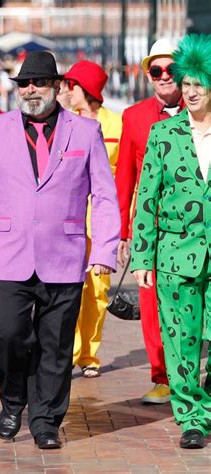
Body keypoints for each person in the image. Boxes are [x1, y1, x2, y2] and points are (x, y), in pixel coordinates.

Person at [0, 51, 120, 449]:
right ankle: (14, 398)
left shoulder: (85, 132)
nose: (30, 90)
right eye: (23, 83)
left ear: (58, 87)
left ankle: (46, 420)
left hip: (64, 254)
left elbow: (103, 194)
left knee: (56, 345)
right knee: (9, 336)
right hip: (7, 252)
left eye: (39, 83)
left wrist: (103, 249)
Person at [131, 34, 211, 449]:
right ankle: (191, 416)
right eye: (187, 82)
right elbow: (146, 197)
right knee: (181, 341)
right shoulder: (164, 134)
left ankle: (207, 399)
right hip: (176, 255)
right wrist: (142, 255)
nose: (192, 90)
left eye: (200, 82)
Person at [115, 38, 184, 404]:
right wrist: (124, 234)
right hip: (152, 228)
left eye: (170, 69)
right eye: (155, 70)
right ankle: (161, 376)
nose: (163, 77)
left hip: (195, 227)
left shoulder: (202, 111)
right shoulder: (134, 116)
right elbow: (125, 177)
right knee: (152, 304)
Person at [63, 60, 122, 378]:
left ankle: (89, 355)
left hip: (101, 221)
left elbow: (126, 174)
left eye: (69, 85)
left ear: (81, 88)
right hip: (68, 218)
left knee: (98, 290)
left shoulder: (117, 124)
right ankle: (68, 351)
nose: (65, 92)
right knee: (67, 288)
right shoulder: (65, 124)